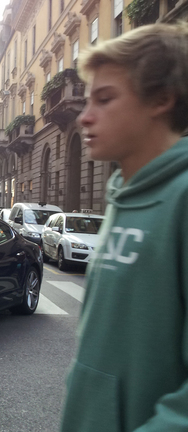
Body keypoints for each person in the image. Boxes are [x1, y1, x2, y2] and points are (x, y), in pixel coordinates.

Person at [60, 22, 188, 432]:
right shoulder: (122, 196)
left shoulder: (182, 199)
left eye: (105, 99)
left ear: (162, 100)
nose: (85, 117)